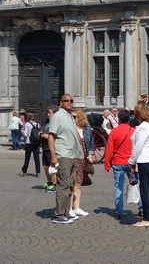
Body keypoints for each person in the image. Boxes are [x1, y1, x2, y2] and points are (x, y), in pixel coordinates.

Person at [47, 94, 83, 224]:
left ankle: (67, 212)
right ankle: (59, 215)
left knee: (69, 185)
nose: (69, 102)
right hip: (63, 155)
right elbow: (51, 136)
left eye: (71, 101)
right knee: (63, 185)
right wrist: (53, 156)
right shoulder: (58, 116)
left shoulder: (69, 116)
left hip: (72, 154)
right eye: (66, 100)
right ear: (60, 103)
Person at [104, 108, 138, 220]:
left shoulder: (114, 131)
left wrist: (107, 165)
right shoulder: (133, 131)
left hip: (118, 162)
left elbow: (109, 149)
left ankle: (119, 211)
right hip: (131, 163)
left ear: (118, 119)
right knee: (135, 185)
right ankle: (141, 208)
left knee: (118, 187)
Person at [129, 103, 149, 227]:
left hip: (145, 160)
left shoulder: (143, 128)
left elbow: (138, 147)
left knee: (145, 190)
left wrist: (131, 161)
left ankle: (147, 218)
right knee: (146, 189)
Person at [69, 110, 94, 218]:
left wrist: (90, 154)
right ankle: (68, 208)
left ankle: (76, 208)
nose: (73, 119)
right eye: (72, 117)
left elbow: (91, 143)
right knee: (70, 183)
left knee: (78, 184)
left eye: (74, 117)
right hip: (71, 157)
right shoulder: (70, 129)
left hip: (82, 158)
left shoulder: (87, 129)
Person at [41, 106, 58, 192]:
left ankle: (55, 185)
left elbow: (58, 135)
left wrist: (48, 136)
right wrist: (41, 132)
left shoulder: (56, 122)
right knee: (45, 166)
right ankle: (49, 182)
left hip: (52, 147)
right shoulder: (47, 121)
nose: (48, 115)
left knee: (53, 168)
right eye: (48, 113)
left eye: (50, 113)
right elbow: (45, 129)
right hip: (45, 147)